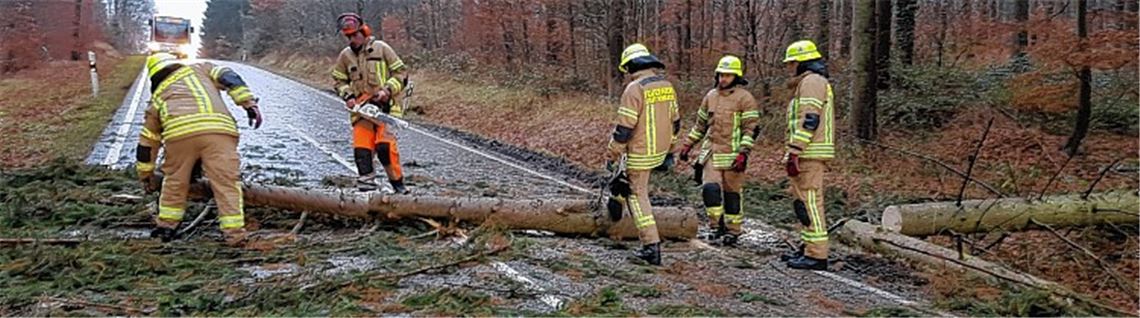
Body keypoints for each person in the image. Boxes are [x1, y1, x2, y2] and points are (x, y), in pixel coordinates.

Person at [137, 52, 263, 246]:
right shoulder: (200, 69)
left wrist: (145, 174)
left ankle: (166, 227)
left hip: (179, 138)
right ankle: (235, 236)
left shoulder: (157, 98)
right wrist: (248, 104)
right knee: (227, 185)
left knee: (174, 180)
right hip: (219, 133)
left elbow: (147, 142)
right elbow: (229, 77)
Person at [606, 43, 681, 265]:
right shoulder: (666, 85)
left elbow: (624, 129)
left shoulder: (634, 89)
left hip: (639, 152)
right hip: (659, 151)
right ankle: (616, 201)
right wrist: (670, 149)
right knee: (625, 184)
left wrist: (612, 154)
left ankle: (651, 246)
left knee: (636, 195)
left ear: (630, 65)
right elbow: (675, 122)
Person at [677, 55, 760, 246]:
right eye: (721, 75)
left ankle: (733, 230)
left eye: (728, 75)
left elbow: (751, 129)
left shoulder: (745, 99)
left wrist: (743, 152)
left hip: (733, 155)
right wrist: (688, 144)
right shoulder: (710, 97)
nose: (724, 79)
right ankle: (716, 226)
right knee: (710, 190)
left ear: (736, 77)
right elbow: (700, 125)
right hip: (712, 153)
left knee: (732, 195)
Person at [330, 12, 410, 193]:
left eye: (355, 35)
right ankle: (366, 187)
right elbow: (338, 80)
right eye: (348, 36)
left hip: (386, 109)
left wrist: (387, 90)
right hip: (362, 110)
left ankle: (398, 186)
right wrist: (348, 96)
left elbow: (401, 73)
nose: (352, 39)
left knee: (385, 148)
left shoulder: (381, 48)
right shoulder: (345, 56)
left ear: (364, 31)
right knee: (362, 150)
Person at [779, 40, 836, 270]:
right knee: (802, 202)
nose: (789, 67)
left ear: (802, 62)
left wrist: (795, 150)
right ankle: (808, 246)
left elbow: (809, 120)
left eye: (792, 63)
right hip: (807, 151)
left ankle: (817, 254)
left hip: (809, 153)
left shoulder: (812, 82)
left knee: (810, 202)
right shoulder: (808, 82)